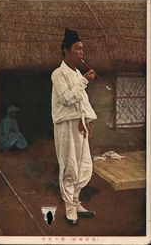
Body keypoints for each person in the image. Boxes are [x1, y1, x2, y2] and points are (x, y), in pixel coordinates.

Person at [51, 28, 97, 226]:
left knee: (84, 165)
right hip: (66, 126)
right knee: (69, 165)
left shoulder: (77, 73)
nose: (81, 53)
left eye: (82, 49)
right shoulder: (58, 74)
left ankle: (76, 201)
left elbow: (83, 102)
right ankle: (69, 206)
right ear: (66, 51)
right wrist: (85, 82)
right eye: (78, 49)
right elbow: (67, 99)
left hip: (80, 126)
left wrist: (89, 120)